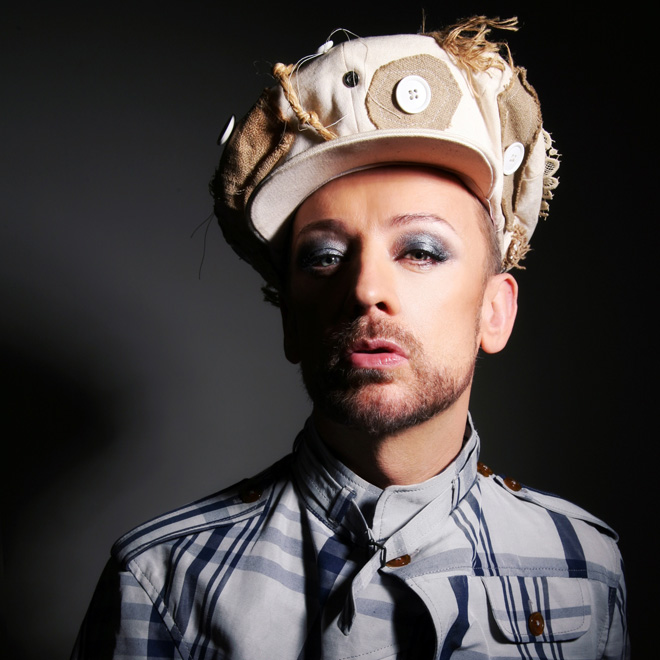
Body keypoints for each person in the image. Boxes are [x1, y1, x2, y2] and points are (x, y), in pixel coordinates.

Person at [71, 16, 629, 659]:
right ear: (290, 321)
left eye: (421, 251)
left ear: (494, 313)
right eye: (325, 257)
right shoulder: (162, 581)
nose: (365, 288)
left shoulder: (584, 562)